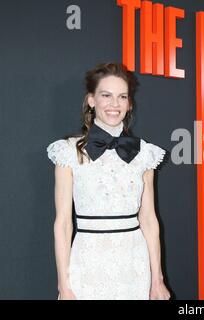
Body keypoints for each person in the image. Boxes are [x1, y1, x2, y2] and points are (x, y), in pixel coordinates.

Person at [46, 62, 171, 300]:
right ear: (91, 100)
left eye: (122, 96)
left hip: (135, 264)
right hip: (87, 265)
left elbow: (149, 219)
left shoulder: (144, 154)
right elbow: (62, 224)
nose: (115, 104)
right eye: (106, 95)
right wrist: (64, 285)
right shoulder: (68, 152)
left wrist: (157, 280)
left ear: (129, 103)